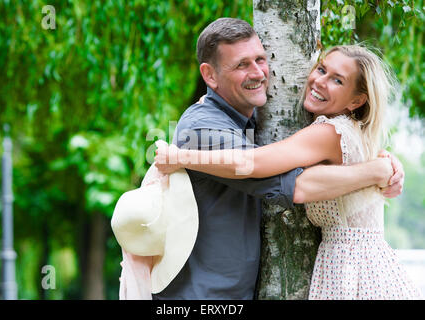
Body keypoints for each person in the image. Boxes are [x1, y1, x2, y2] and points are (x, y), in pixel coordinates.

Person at [152, 18, 406, 300]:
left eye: (261, 59)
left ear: (357, 100)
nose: (258, 73)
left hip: (346, 273)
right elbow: (294, 184)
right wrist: (377, 171)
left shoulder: (260, 119)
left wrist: (385, 167)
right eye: (241, 65)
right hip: (201, 296)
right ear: (210, 76)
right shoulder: (202, 128)